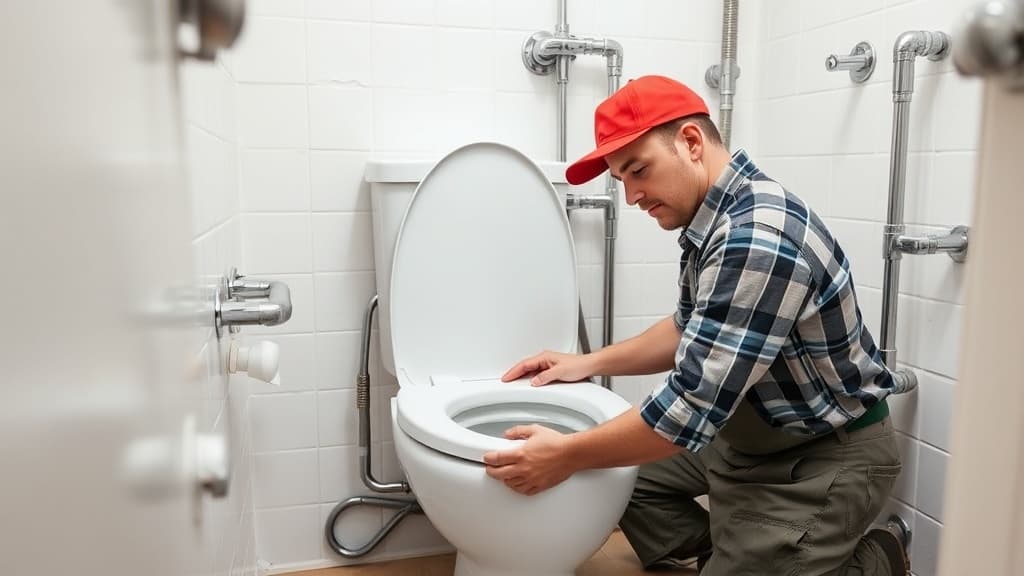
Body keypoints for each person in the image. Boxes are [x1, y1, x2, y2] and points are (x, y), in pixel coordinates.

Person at [482, 75, 912, 575]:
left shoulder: (756, 238)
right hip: (746, 437)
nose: (632, 196)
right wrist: (587, 363)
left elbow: (688, 409)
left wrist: (566, 454)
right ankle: (741, 552)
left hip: (820, 456)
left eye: (638, 170)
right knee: (616, 480)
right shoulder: (717, 220)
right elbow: (686, 328)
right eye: (622, 180)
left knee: (590, 461)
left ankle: (875, 558)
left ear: (690, 142)